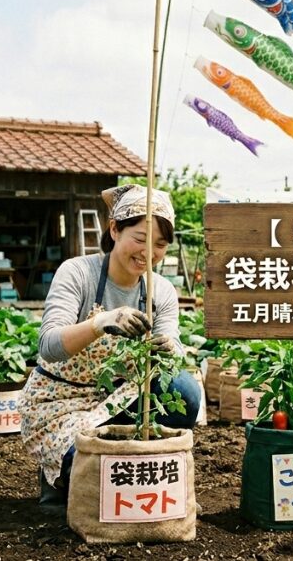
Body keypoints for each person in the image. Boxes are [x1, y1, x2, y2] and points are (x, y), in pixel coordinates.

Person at [21, 185, 201, 512]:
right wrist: (101, 321)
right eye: (140, 239)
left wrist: (169, 348)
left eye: (159, 245)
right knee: (87, 462)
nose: (149, 253)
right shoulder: (78, 273)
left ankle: (149, 477)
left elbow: (171, 344)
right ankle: (59, 481)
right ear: (115, 229)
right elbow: (48, 346)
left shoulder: (161, 291)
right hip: (63, 402)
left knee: (184, 389)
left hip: (123, 400)